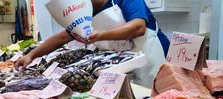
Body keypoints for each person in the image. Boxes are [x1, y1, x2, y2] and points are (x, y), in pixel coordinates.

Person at [15, 0, 170, 87]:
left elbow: (138, 27)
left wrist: (100, 36)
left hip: (153, 58)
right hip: (122, 65)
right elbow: (63, 37)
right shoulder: (83, 12)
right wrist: (31, 55)